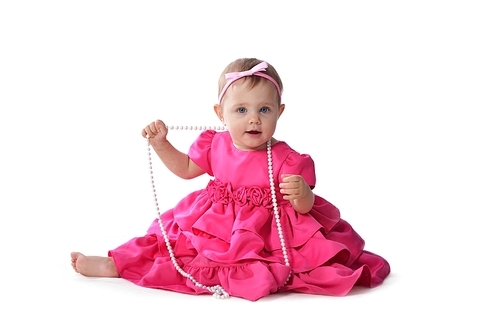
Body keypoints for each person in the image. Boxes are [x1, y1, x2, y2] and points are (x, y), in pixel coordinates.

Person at [71, 57, 391, 301]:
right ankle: (113, 265)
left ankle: (247, 273)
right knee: (170, 246)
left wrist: (301, 194)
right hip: (215, 225)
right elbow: (185, 169)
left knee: (302, 261)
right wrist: (161, 144)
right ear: (220, 112)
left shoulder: (287, 159)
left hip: (264, 233)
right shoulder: (215, 144)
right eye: (241, 110)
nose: (253, 118)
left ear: (279, 112)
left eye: (264, 109)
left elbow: (305, 209)